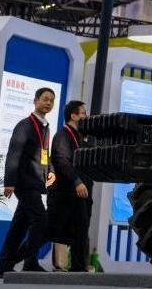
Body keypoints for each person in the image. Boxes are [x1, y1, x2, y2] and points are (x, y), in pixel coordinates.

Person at [0, 87, 56, 278]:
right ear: (35, 100)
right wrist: (10, 181)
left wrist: (50, 172)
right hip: (24, 183)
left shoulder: (45, 127)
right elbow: (14, 153)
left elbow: (44, 154)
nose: (48, 103)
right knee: (41, 220)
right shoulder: (25, 125)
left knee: (19, 226)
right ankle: (25, 261)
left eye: (51, 100)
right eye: (45, 99)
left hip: (36, 183)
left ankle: (4, 267)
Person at [47, 100, 92, 273]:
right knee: (49, 231)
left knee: (80, 230)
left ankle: (79, 269)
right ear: (73, 116)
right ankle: (15, 260)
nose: (86, 116)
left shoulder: (79, 136)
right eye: (83, 113)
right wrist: (77, 181)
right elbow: (61, 160)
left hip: (77, 194)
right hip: (64, 193)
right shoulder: (63, 135)